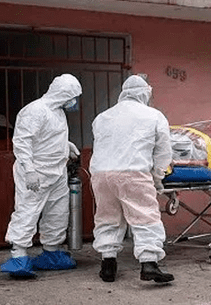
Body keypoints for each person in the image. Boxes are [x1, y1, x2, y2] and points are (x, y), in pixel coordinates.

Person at [89, 74, 174, 283]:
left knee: (108, 217)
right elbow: (163, 152)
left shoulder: (102, 117)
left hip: (101, 175)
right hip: (133, 172)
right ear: (146, 93)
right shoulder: (154, 116)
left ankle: (108, 265)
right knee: (144, 217)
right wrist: (157, 178)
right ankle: (149, 263)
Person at [0, 73, 82, 277]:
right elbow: (22, 141)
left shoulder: (58, 112)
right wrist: (29, 170)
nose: (74, 102)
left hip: (57, 171)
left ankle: (51, 253)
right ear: (63, 94)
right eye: (73, 96)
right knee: (27, 211)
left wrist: (66, 146)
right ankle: (18, 255)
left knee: (58, 213)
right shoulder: (35, 110)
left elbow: (48, 136)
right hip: (36, 172)